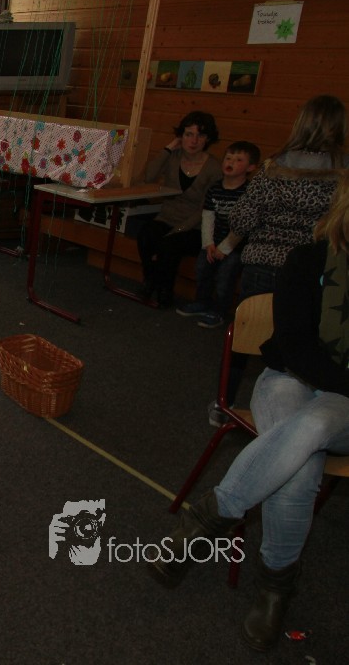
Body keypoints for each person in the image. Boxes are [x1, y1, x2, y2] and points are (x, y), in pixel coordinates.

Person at [148, 174, 349, 651]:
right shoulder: (308, 259)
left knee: (313, 425)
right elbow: (294, 347)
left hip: (344, 403)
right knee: (300, 469)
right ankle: (276, 588)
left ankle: (204, 522)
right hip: (289, 378)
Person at [212, 95, 348, 414]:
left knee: (244, 340)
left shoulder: (274, 168)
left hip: (264, 266)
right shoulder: (343, 174)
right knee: (309, 343)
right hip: (318, 273)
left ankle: (223, 404)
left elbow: (241, 220)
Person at [136, 111, 223, 308]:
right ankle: (150, 279)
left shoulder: (213, 168)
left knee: (169, 245)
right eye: (188, 134)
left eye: (200, 135)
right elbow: (148, 177)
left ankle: (165, 290)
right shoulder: (173, 157)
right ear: (181, 136)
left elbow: (205, 209)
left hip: (195, 226)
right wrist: (168, 148)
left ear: (208, 139)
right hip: (166, 218)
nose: (194, 141)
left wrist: (178, 230)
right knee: (146, 235)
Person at [175, 141, 260, 329]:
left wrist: (225, 248)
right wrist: (208, 243)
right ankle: (202, 301)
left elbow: (243, 226)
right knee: (202, 268)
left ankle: (219, 310)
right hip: (214, 243)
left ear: (251, 167)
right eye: (228, 158)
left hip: (236, 247)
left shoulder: (249, 192)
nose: (231, 162)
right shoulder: (215, 188)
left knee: (225, 275)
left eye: (238, 160)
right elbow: (208, 217)